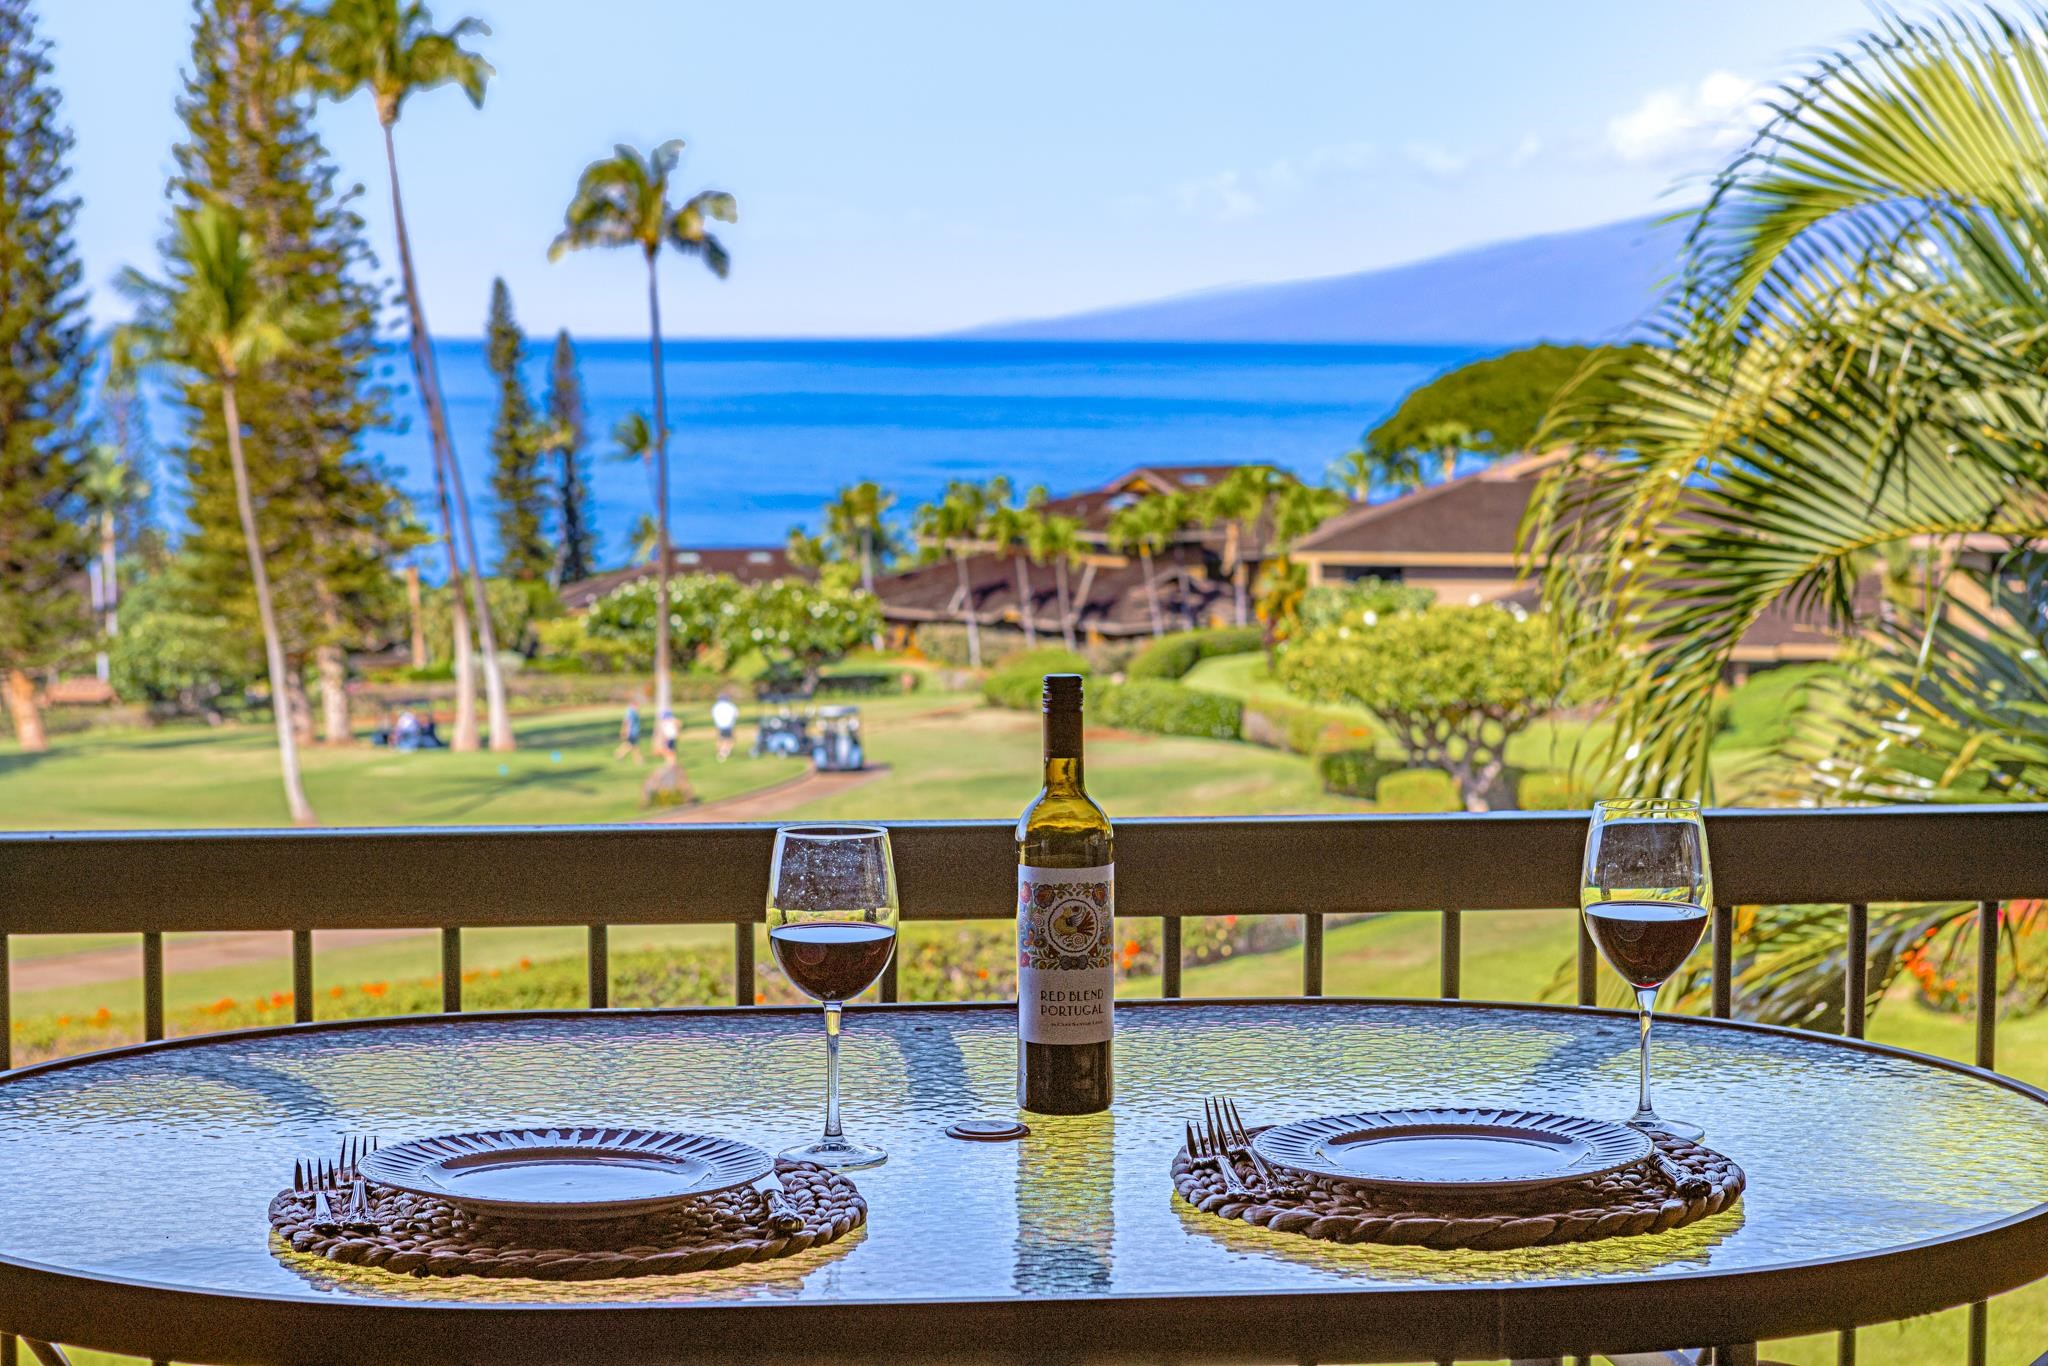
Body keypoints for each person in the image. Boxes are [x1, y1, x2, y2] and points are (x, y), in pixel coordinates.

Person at [711, 691, 739, 762]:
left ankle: (720, 751)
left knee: (720, 739)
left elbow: (714, 715)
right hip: (729, 725)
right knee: (730, 739)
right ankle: (726, 752)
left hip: (719, 725)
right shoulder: (731, 706)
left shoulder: (716, 706)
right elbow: (736, 715)